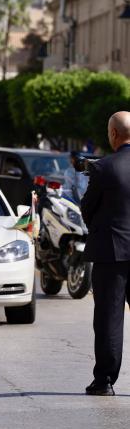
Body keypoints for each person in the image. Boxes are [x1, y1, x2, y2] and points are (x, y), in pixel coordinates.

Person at [81, 111, 130, 396]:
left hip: (111, 252)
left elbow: (88, 208)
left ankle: (105, 381)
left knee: (109, 318)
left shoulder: (103, 167)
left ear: (113, 134)